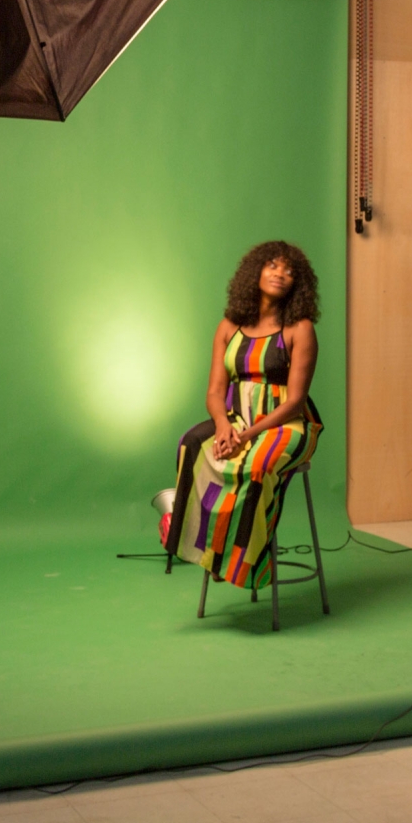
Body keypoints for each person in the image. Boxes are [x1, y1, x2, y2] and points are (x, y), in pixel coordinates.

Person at [164, 241, 324, 589]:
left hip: (287, 424)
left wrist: (247, 437)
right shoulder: (228, 327)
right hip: (237, 418)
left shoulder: (300, 328)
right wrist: (224, 426)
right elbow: (214, 392)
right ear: (255, 273)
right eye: (272, 266)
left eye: (289, 271)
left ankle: (241, 563)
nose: (280, 274)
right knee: (192, 443)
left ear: (298, 284)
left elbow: (296, 401)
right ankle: (203, 543)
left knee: (256, 465)